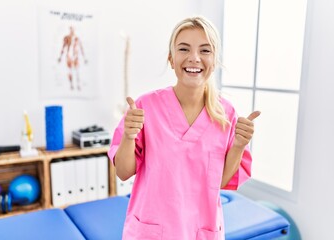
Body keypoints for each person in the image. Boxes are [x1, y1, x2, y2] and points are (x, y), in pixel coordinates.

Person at [108, 15, 260, 240]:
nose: (194, 58)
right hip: (152, 231)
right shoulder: (145, 107)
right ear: (171, 59)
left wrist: (238, 145)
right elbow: (122, 172)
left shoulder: (226, 115)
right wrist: (129, 137)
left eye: (205, 50)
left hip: (200, 231)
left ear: (215, 60)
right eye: (184, 49)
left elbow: (222, 182)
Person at [58, 26, 87, 91]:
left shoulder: (77, 38)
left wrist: (84, 57)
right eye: (71, 30)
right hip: (69, 56)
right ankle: (71, 85)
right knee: (70, 71)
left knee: (77, 71)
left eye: (73, 30)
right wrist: (60, 57)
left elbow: (81, 47)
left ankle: (78, 85)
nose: (72, 31)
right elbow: (63, 47)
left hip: (75, 56)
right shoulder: (66, 38)